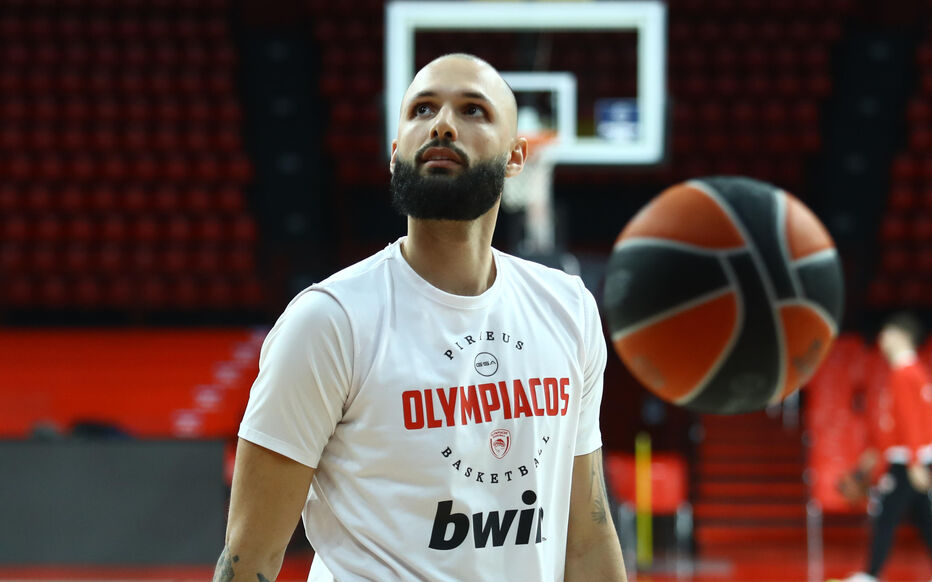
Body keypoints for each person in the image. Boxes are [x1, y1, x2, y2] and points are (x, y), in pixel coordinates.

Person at [211, 53, 627, 582]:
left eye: (473, 110)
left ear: (517, 157)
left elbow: (587, 539)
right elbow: (251, 557)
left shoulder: (568, 309)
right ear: (394, 154)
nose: (442, 124)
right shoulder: (330, 322)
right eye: (422, 109)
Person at [837, 312, 932, 582]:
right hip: (909, 457)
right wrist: (878, 453)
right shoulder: (913, 372)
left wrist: (914, 461)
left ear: (902, 336)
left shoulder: (905, 373)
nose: (882, 339)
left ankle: (871, 574)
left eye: (887, 333)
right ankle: (871, 573)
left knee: (886, 515)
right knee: (923, 518)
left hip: (907, 461)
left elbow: (912, 421)